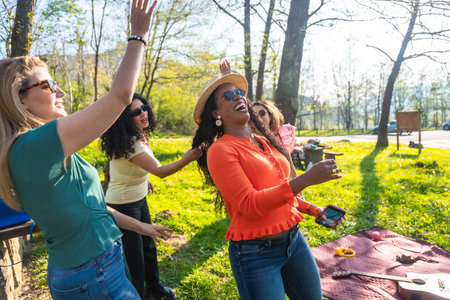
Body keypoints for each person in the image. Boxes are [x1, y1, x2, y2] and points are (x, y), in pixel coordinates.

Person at [0, 1, 172, 299]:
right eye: (48, 84)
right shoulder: (35, 145)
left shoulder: (33, 149)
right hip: (93, 276)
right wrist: (139, 34)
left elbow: (93, 209)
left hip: (93, 270)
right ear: (21, 98)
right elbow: (120, 97)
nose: (60, 91)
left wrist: (142, 228)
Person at [191, 73, 343, 300]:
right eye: (228, 96)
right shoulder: (220, 150)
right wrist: (306, 179)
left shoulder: (264, 141)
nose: (238, 98)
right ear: (216, 113)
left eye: (240, 93)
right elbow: (249, 204)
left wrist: (313, 209)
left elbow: (280, 191)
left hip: (294, 242)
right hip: (255, 254)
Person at [100, 93, 202, 299]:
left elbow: (123, 166)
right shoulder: (130, 144)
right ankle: (137, 294)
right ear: (126, 119)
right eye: (136, 112)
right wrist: (187, 158)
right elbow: (161, 171)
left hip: (138, 199)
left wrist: (143, 179)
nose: (144, 113)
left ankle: (154, 285)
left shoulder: (136, 137)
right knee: (134, 258)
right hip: (122, 206)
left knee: (148, 246)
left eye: (144, 107)